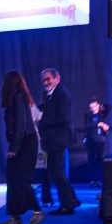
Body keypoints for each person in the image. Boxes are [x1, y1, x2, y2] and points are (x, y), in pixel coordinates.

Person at [0, 71, 45, 224]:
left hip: (24, 143)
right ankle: (15, 217)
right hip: (22, 142)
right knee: (13, 180)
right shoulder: (18, 98)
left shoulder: (18, 98)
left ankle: (37, 211)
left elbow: (21, 126)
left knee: (21, 179)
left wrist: (14, 148)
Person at [37, 68, 80, 214]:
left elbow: (63, 118)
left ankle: (67, 205)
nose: (45, 82)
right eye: (43, 80)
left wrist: (42, 122)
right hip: (54, 139)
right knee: (57, 172)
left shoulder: (61, 94)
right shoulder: (51, 95)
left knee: (57, 172)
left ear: (57, 79)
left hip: (58, 139)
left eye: (48, 79)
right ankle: (71, 200)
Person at [83, 97, 110, 186]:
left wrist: (101, 106)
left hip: (101, 140)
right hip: (91, 140)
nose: (92, 109)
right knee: (91, 160)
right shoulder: (88, 116)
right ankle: (92, 180)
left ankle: (100, 179)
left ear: (98, 106)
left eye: (94, 106)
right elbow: (88, 126)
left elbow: (109, 107)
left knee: (100, 160)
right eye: (91, 107)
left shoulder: (102, 114)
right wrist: (99, 124)